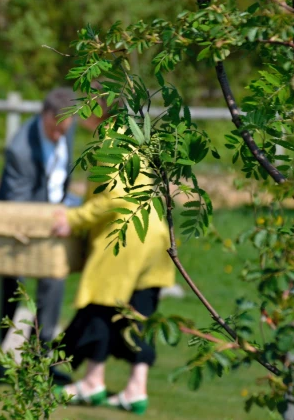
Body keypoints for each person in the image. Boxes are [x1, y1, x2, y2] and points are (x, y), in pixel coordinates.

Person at [50, 152, 176, 415]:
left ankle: (93, 381)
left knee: (101, 305)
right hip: (154, 230)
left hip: (127, 233)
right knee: (139, 313)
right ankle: (136, 389)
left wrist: (74, 219)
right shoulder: (136, 134)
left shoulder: (110, 138)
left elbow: (114, 196)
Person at [0, 87, 77, 382]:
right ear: (45, 115)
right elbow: (19, 206)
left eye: (64, 130)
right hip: (18, 227)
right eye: (55, 129)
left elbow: (61, 179)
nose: (60, 135)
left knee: (53, 285)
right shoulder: (20, 149)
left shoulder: (65, 129)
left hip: (52, 224)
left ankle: (37, 361)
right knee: (10, 290)